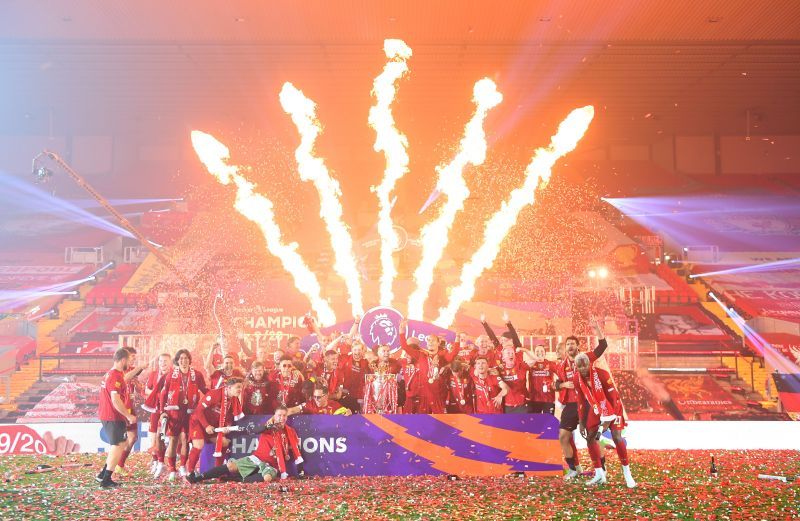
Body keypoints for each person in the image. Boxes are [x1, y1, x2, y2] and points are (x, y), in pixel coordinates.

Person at [187, 406, 304, 484]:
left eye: (284, 415)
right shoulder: (268, 426)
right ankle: (199, 477)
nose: (281, 418)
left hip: (272, 465)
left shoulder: (290, 431)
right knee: (231, 466)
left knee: (267, 478)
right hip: (257, 458)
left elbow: (296, 450)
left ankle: (235, 479)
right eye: (279, 415)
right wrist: (267, 426)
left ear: (287, 417)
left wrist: (301, 471)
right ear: (274, 416)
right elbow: (256, 430)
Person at [553, 318, 608, 480]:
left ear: (578, 346)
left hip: (588, 403)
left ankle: (602, 469)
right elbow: (556, 384)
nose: (570, 346)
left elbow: (602, 346)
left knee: (592, 437)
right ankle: (573, 469)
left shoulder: (586, 358)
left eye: (572, 343)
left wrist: (597, 329)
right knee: (563, 436)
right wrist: (563, 385)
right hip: (570, 405)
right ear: (565, 348)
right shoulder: (560, 366)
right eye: (567, 344)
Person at [573, 353, 636, 488]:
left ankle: (627, 473)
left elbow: (612, 397)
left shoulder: (602, 374)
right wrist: (581, 422)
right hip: (597, 408)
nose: (583, 369)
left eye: (585, 366)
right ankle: (599, 473)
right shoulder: (576, 379)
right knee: (590, 437)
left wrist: (607, 421)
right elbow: (581, 402)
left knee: (617, 437)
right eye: (580, 367)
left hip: (614, 406)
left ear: (590, 364)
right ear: (576, 367)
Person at [156, 349, 207, 480]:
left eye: (186, 358)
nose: (184, 361)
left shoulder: (197, 375)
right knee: (173, 441)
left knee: (185, 440)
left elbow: (204, 390)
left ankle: (183, 466)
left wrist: (217, 394)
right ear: (177, 361)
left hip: (190, 412)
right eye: (181, 359)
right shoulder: (171, 375)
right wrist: (162, 411)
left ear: (190, 360)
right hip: (174, 412)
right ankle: (172, 469)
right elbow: (163, 393)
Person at [186, 377, 245, 478]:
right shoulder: (215, 394)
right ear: (229, 387)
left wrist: (228, 425)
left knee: (224, 442)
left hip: (213, 426)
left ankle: (217, 472)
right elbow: (198, 411)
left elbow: (229, 416)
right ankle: (190, 472)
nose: (240, 390)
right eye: (238, 387)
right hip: (199, 422)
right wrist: (206, 426)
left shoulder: (233, 399)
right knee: (199, 445)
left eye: (241, 387)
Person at [95, 348, 137, 488]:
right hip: (113, 416)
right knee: (118, 445)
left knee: (122, 443)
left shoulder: (110, 373)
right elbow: (115, 399)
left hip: (108, 414)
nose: (129, 363)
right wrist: (128, 415)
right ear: (123, 360)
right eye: (129, 360)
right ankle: (106, 479)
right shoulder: (116, 376)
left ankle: (103, 474)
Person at [399, 319, 459, 414]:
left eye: (433, 340)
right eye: (428, 340)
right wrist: (401, 332)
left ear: (438, 343)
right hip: (424, 396)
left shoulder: (442, 356)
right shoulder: (421, 355)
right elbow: (405, 347)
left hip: (438, 396)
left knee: (440, 423)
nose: (430, 342)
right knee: (424, 423)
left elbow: (454, 353)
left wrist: (457, 338)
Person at [115, 346, 147, 477]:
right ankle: (114, 465)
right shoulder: (119, 371)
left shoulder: (133, 371)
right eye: (131, 357)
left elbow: (138, 385)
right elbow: (125, 378)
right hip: (121, 410)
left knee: (133, 438)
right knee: (119, 441)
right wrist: (140, 368)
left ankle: (119, 465)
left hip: (130, 409)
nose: (134, 359)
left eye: (134, 357)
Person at [143, 352, 172, 478]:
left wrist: (163, 395)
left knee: (170, 438)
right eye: (161, 361)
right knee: (154, 436)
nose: (163, 363)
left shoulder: (173, 375)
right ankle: (156, 461)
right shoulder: (153, 374)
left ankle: (172, 465)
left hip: (169, 410)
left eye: (165, 361)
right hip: (155, 410)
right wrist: (158, 394)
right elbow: (146, 390)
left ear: (170, 362)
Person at [363, 345, 403, 414]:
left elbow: (402, 376)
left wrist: (397, 378)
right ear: (378, 353)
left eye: (388, 351)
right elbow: (367, 380)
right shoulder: (373, 364)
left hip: (392, 399)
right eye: (384, 351)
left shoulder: (395, 363)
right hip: (376, 399)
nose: (386, 353)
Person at [498, 346, 529, 413]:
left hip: (522, 405)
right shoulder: (499, 369)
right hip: (507, 406)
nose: (511, 354)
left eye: (512, 353)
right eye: (508, 353)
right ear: (503, 358)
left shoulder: (520, 367)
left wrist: (525, 350)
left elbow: (535, 359)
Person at [527, 345, 557, 414]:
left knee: (548, 423)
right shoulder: (530, 365)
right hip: (534, 399)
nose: (539, 352)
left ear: (545, 353)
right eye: (537, 351)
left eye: (541, 351)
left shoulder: (551, 364)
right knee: (534, 423)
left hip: (548, 399)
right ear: (534, 353)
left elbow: (561, 374)